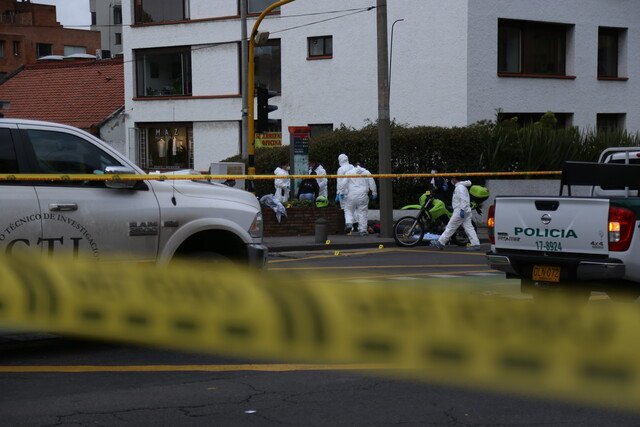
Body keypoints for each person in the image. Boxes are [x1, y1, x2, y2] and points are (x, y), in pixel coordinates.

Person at [430, 175, 481, 251]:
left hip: (460, 211)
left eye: (452, 179)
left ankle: (441, 242)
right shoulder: (462, 187)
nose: (451, 180)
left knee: (450, 227)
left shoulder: (459, 188)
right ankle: (476, 244)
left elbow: (464, 200)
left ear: (454, 179)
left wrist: (462, 210)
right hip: (465, 210)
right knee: (469, 228)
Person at [345, 161, 377, 236]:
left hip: (351, 194)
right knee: (363, 212)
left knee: (349, 209)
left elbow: (343, 183)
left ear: (354, 166)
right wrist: (374, 192)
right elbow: (372, 183)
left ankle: (349, 223)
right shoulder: (366, 172)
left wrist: (341, 192)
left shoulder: (349, 172)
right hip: (363, 195)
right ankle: (363, 231)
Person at [335, 153, 355, 233]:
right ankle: (356, 225)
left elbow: (340, 182)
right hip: (353, 190)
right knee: (353, 208)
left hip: (344, 192)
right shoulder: (352, 167)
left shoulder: (341, 169)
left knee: (345, 209)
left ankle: (348, 225)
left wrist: (339, 193)